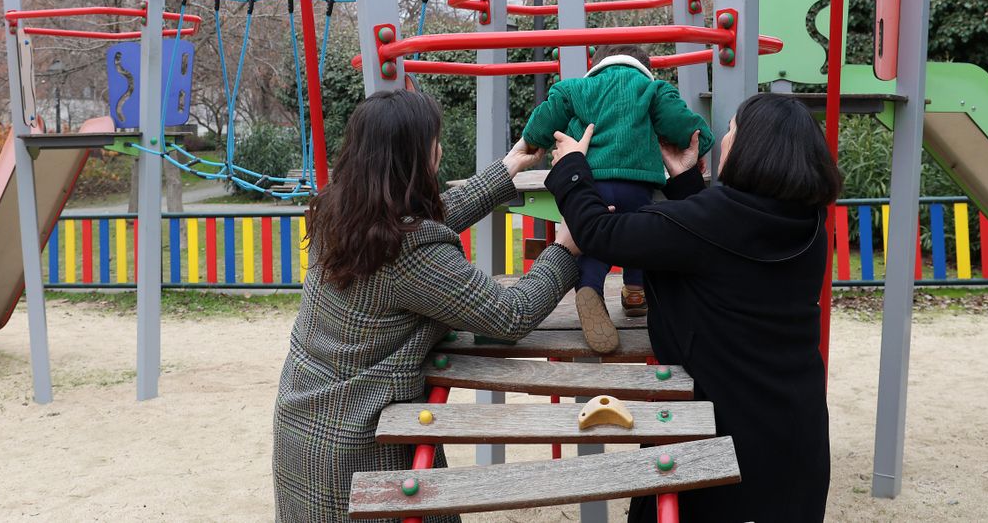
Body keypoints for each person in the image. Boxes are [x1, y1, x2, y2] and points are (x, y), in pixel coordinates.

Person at [273, 90, 581, 522]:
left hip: (304, 418)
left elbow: (429, 219)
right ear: (415, 157)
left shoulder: (338, 208)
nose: (440, 147)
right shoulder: (413, 253)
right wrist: (564, 250)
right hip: (357, 440)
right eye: (433, 139)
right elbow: (511, 313)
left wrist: (508, 167)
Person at [545, 93, 840, 522]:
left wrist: (572, 167)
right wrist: (685, 181)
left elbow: (600, 232)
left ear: (754, 148)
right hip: (798, 431)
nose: (724, 141)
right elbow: (718, 243)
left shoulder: (713, 221)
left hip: (721, 435)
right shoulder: (812, 228)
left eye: (733, 130)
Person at [522, 44, 713, 354]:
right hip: (637, 187)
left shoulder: (576, 88)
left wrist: (533, 139)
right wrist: (699, 144)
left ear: (596, 66)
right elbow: (682, 123)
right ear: (643, 68)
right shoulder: (652, 89)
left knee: (594, 238)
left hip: (589, 183)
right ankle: (636, 289)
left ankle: (590, 288)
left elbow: (547, 116)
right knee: (640, 235)